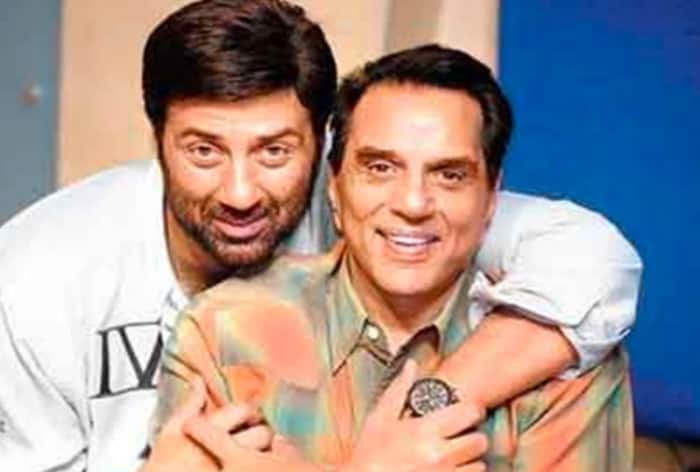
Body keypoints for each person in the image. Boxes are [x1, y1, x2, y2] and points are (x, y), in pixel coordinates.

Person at [0, 1, 640, 471]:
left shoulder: (391, 209)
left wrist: (433, 402)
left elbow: (598, 263)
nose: (241, 193)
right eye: (203, 150)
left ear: (322, 147)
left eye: (275, 151)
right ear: (158, 139)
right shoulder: (37, 274)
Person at [150, 44, 633, 472]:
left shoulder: (560, 359)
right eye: (380, 168)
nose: (413, 203)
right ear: (335, 188)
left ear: (491, 198)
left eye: (449, 175)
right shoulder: (224, 330)